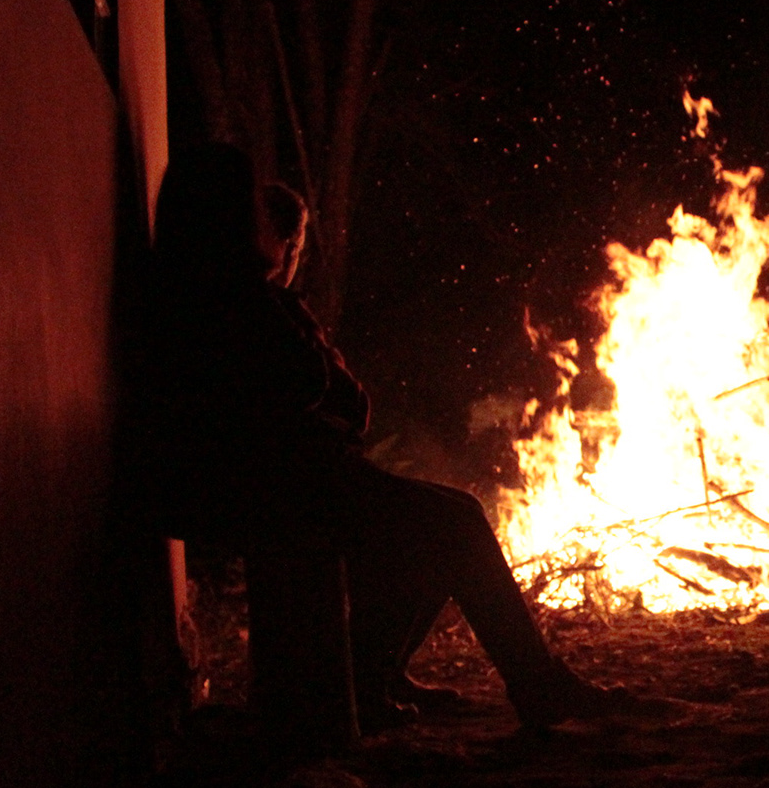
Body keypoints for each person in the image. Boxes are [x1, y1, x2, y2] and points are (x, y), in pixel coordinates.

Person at [149, 143, 614, 733]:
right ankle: (534, 686)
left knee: (445, 518)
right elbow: (309, 382)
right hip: (273, 488)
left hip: (280, 479)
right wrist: (290, 321)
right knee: (453, 525)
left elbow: (335, 399)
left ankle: (379, 677)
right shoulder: (227, 297)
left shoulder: (208, 291)